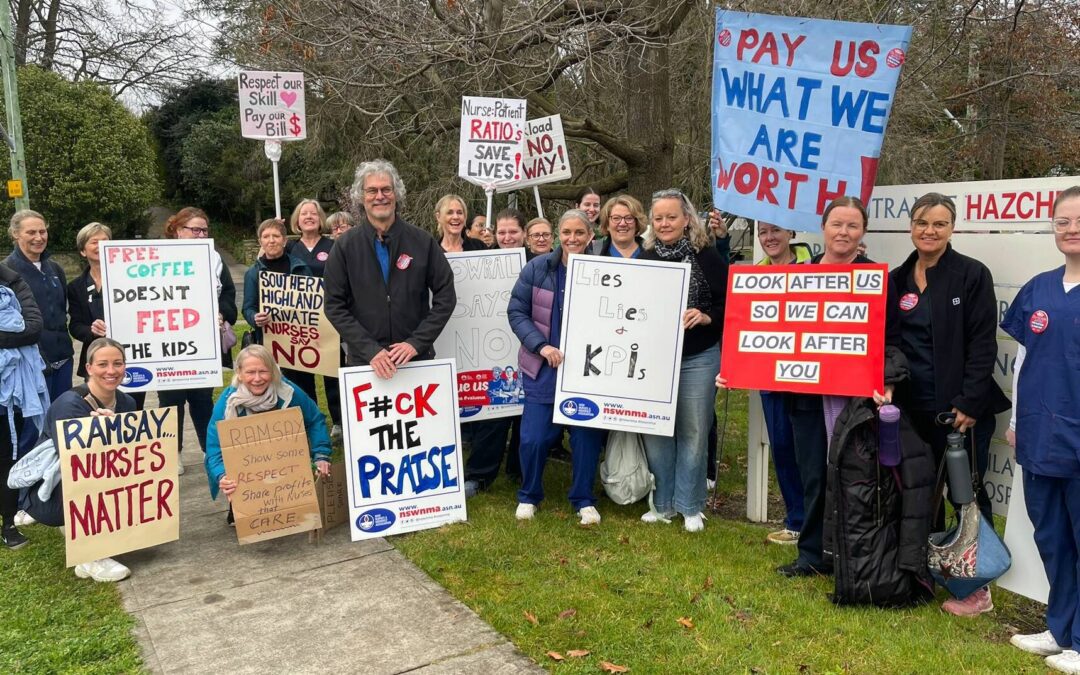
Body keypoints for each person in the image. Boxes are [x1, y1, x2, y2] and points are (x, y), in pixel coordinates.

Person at [890, 192, 1010, 616]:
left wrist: (970, 402)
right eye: (922, 222)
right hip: (912, 410)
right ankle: (930, 571)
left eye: (939, 224)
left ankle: (978, 589)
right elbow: (890, 343)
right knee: (922, 495)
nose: (930, 230)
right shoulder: (897, 279)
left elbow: (982, 344)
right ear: (911, 226)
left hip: (961, 411)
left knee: (968, 497)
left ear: (952, 228)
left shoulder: (971, 275)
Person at [777, 196, 901, 577]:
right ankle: (812, 554)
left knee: (853, 477)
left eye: (852, 225)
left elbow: (891, 338)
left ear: (862, 231)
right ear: (823, 228)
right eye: (836, 224)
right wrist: (737, 368)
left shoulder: (877, 279)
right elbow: (773, 329)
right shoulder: (797, 274)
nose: (843, 232)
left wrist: (887, 382)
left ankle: (854, 553)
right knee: (813, 474)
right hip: (806, 396)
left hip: (856, 396)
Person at [1002, 186, 1080, 673]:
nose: (1071, 229)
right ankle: (1061, 627)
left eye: (1079, 220)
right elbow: (1023, 361)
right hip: (1038, 433)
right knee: (1051, 536)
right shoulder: (1038, 288)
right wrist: (1013, 420)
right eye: (1062, 221)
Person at [507, 209, 605, 525]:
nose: (572, 239)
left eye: (579, 233)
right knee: (533, 438)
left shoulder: (604, 270)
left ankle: (583, 499)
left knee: (585, 437)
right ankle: (529, 494)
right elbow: (517, 312)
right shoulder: (537, 269)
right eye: (566, 232)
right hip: (543, 367)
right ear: (557, 235)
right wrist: (541, 345)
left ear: (591, 236)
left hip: (588, 370)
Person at [638, 190, 727, 532]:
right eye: (658, 218)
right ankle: (663, 505)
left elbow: (728, 304)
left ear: (687, 218)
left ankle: (690, 505)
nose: (664, 224)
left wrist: (706, 317)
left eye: (671, 217)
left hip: (698, 356)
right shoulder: (644, 258)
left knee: (693, 428)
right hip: (654, 359)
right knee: (657, 429)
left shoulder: (707, 256)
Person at [323, 160, 455, 377]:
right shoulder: (345, 246)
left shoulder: (422, 242)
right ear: (361, 197)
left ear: (396, 194)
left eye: (386, 189)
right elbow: (334, 305)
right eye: (372, 190)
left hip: (416, 360)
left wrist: (416, 343)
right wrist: (370, 350)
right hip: (365, 363)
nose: (379, 196)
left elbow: (446, 296)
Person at [32, 338, 137, 580]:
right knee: (90, 479)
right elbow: (74, 463)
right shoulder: (69, 404)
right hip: (57, 488)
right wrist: (98, 434)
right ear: (89, 368)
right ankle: (89, 556)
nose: (111, 371)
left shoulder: (127, 402)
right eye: (103, 364)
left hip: (107, 476)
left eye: (118, 363)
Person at [205, 345, 331, 524]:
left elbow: (315, 420)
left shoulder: (289, 392)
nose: (257, 378)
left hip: (283, 457)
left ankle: (290, 500)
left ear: (273, 371)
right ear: (239, 374)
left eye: (263, 371)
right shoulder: (227, 404)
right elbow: (214, 446)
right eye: (250, 372)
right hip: (247, 465)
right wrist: (222, 476)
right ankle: (241, 507)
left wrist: (321, 455)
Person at [160, 208, 237, 468]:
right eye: (195, 229)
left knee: (202, 398)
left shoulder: (214, 259)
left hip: (202, 345)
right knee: (170, 402)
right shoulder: (157, 257)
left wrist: (222, 313)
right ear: (178, 230)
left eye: (204, 230)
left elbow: (227, 294)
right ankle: (173, 454)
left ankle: (209, 450)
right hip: (166, 346)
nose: (201, 234)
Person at [462, 208, 528, 497]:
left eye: (513, 231)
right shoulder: (482, 260)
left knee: (526, 415)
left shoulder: (537, 262)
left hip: (527, 348)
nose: (507, 237)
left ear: (524, 233)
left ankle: (520, 469)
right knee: (493, 414)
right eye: (502, 232)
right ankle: (479, 475)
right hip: (492, 349)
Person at [754, 222, 811, 545]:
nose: (769, 238)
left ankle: (819, 521)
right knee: (783, 447)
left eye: (775, 230)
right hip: (769, 375)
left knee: (811, 452)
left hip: (807, 376)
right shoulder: (754, 275)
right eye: (763, 232)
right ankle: (796, 519)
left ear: (791, 232)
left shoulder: (813, 266)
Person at [66, 223, 147, 410]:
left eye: (105, 241)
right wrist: (91, 331)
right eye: (94, 242)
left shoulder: (134, 279)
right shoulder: (75, 287)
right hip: (97, 361)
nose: (100, 246)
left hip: (131, 359)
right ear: (83, 251)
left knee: (132, 412)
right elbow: (75, 325)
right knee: (98, 414)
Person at [285, 199, 343, 437]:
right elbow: (265, 267)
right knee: (301, 375)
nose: (308, 217)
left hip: (329, 322)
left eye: (313, 213)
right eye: (303, 213)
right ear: (296, 220)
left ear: (320, 219)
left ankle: (339, 421)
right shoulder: (288, 249)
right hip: (299, 325)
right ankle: (310, 422)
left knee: (333, 374)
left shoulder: (334, 246)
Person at [4, 210, 72, 402]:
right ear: (15, 234)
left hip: (64, 360)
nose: (38, 238)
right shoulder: (6, 271)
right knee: (33, 429)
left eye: (42, 232)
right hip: (30, 364)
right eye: (31, 232)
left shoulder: (56, 269)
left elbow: (61, 311)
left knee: (61, 423)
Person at [0, 261, 45, 550]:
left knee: (5, 456)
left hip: (10, 390)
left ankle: (8, 524)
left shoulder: (13, 281)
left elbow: (33, 328)